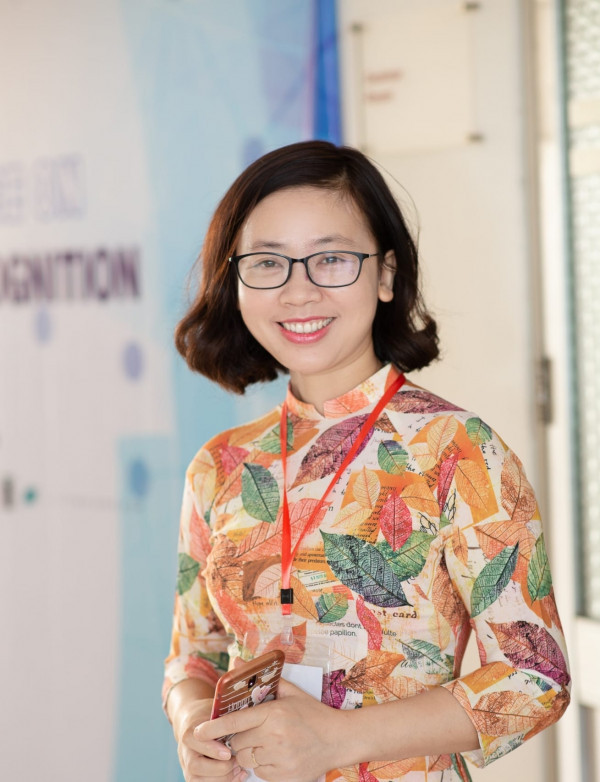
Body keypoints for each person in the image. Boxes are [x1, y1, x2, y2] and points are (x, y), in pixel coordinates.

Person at [163, 140, 570, 782]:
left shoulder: (456, 447)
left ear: (384, 275)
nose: (298, 292)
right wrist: (192, 728)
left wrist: (338, 739)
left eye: (330, 259)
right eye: (268, 263)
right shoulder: (220, 466)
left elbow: (535, 677)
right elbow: (195, 655)